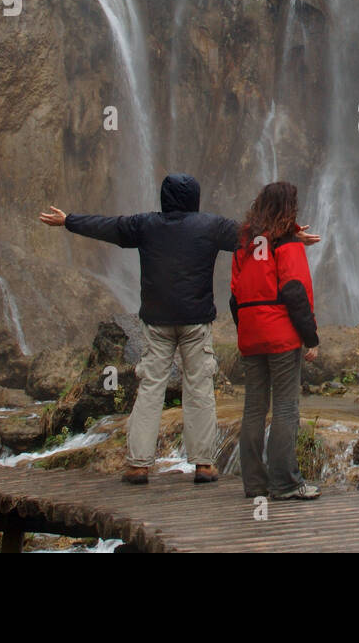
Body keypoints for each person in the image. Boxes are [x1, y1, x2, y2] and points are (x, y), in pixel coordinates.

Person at [39, 173, 318, 487]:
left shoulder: (144, 224)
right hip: (195, 321)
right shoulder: (211, 226)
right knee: (199, 388)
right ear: (195, 199)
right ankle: (204, 464)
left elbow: (109, 227)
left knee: (150, 388)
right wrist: (291, 235)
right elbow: (254, 235)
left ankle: (138, 465)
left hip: (157, 322)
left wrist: (69, 221)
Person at [230, 181, 321, 501]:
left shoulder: (245, 245)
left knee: (254, 409)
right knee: (285, 408)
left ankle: (254, 484)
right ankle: (285, 483)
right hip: (281, 335)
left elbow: (234, 297)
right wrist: (311, 338)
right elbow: (295, 291)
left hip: (251, 335)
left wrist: (248, 328)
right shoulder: (286, 244)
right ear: (289, 208)